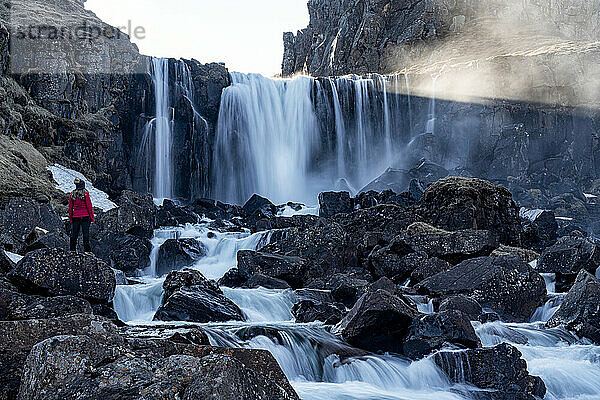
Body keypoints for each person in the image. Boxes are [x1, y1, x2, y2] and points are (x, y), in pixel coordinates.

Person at [68, 178, 95, 253]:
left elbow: (70, 208)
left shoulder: (72, 194)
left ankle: (72, 250)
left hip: (75, 217)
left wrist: (71, 218)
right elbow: (89, 206)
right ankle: (87, 251)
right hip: (85, 216)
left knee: (74, 234)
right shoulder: (85, 194)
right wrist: (92, 218)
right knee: (85, 234)